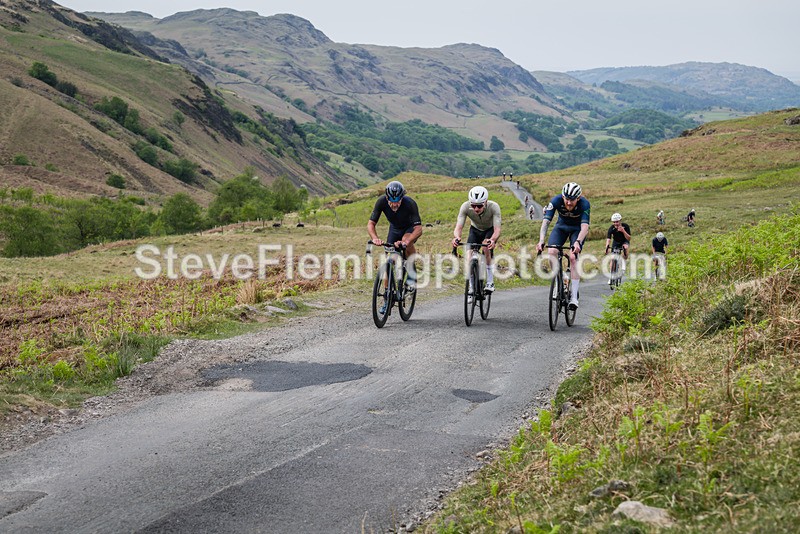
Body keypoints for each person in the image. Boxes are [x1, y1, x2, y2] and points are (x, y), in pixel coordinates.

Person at [367, 180, 423, 309]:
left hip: (409, 229)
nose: (394, 204)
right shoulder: (381, 202)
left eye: (397, 201)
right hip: (394, 230)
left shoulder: (410, 204)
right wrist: (375, 238)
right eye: (391, 201)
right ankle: (388, 297)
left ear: (402, 197)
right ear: (387, 198)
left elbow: (419, 229)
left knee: (405, 241)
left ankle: (411, 272)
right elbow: (371, 224)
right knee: (389, 262)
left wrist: (407, 241)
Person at [536, 182, 590, 310]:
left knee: (573, 257)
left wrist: (577, 242)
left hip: (577, 230)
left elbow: (585, 227)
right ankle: (558, 282)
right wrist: (541, 240)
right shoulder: (555, 200)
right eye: (566, 199)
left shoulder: (585, 204)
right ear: (562, 196)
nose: (569, 203)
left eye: (572, 200)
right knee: (552, 252)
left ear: (578, 198)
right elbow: (546, 222)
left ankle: (574, 298)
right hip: (561, 228)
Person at [451, 186, 502, 298]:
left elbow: (497, 229)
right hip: (475, 230)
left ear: (486, 202)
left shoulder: (494, 207)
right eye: (473, 205)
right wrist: (456, 237)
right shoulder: (465, 207)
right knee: (469, 255)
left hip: (489, 230)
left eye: (479, 206)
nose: (476, 209)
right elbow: (459, 226)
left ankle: (490, 281)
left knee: (485, 248)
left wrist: (492, 240)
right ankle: (471, 287)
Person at [605, 212, 631, 285]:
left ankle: (622, 264)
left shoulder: (626, 226)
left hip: (624, 241)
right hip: (616, 242)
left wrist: (623, 231)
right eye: (614, 222)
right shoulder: (611, 228)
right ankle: (611, 276)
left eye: (617, 222)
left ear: (620, 221)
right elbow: (608, 239)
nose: (616, 223)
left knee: (625, 252)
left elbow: (629, 238)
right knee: (613, 259)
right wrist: (607, 247)